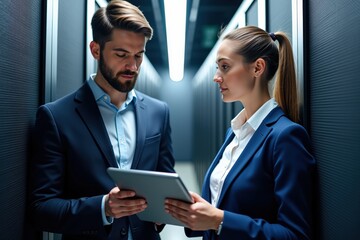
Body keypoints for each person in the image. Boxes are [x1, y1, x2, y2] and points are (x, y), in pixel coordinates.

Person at [28, 1, 175, 239]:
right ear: (95, 50)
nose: (133, 66)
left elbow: (165, 182)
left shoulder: (159, 112)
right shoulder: (56, 117)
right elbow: (41, 209)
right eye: (121, 54)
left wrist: (163, 212)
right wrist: (103, 207)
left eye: (139, 55)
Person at [165, 26, 316, 240]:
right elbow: (224, 206)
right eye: (218, 68)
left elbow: (295, 235)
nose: (216, 77)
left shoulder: (286, 137)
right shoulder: (235, 132)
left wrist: (218, 220)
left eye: (225, 67)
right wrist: (194, 213)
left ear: (257, 68)